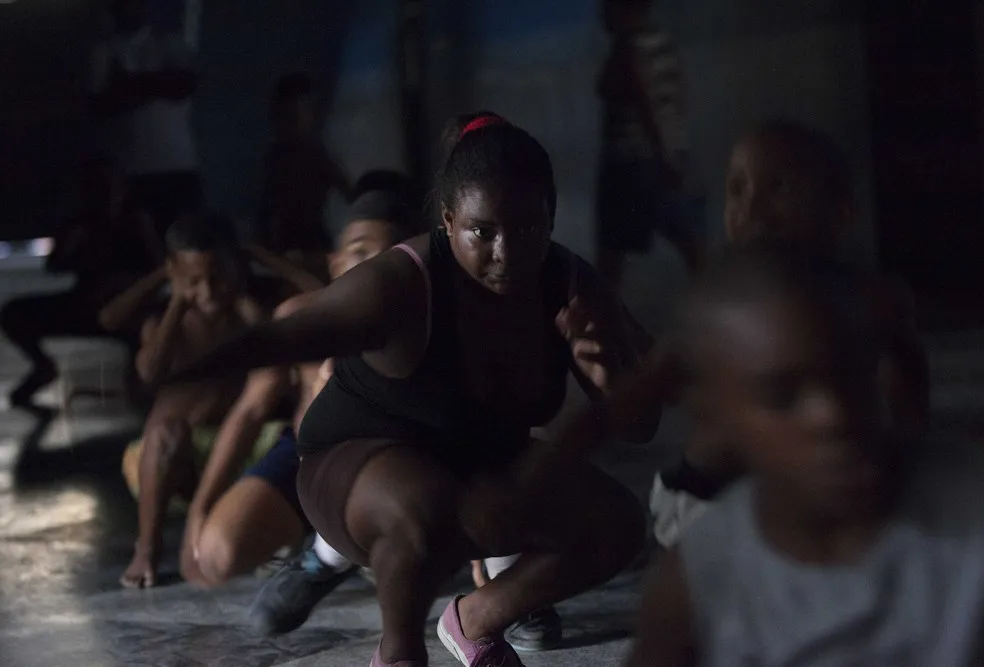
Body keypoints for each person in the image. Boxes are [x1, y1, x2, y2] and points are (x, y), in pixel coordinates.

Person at [160, 112, 660, 667]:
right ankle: (398, 652)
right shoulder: (400, 281)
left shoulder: (571, 285)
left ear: (551, 219)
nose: (507, 253)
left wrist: (609, 379)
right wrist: (175, 371)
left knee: (617, 524)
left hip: (476, 467)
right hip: (352, 470)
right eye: (483, 232)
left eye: (527, 230)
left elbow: (643, 427)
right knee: (423, 501)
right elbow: (286, 336)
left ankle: (474, 622)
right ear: (448, 220)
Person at [624, 248, 984, 667]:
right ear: (715, 418)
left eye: (852, 374)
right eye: (782, 396)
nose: (833, 416)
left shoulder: (980, 513)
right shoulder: (704, 578)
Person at [645, 119, 929, 547]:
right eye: (737, 190)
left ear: (841, 212)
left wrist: (912, 461)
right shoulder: (725, 306)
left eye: (780, 187)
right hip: (709, 501)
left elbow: (907, 379)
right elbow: (638, 396)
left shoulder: (873, 298)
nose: (752, 208)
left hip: (811, 493)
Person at [175, 179, 422, 639]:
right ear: (335, 262)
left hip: (395, 468)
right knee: (217, 554)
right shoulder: (301, 316)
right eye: (359, 251)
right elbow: (250, 411)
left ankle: (338, 551)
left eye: (389, 253)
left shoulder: (426, 322)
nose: (372, 264)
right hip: (307, 459)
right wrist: (200, 509)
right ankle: (322, 544)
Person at [119, 212, 264, 589]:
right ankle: (148, 546)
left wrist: (247, 296)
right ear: (175, 274)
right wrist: (176, 305)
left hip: (237, 454)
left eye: (218, 277)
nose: (208, 290)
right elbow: (150, 373)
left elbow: (281, 345)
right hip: (171, 463)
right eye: (194, 281)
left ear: (235, 269)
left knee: (289, 433)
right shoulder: (165, 325)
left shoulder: (247, 316)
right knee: (165, 432)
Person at [0, 156, 161, 408]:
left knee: (144, 332)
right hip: (84, 306)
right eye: (96, 187)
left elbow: (160, 268)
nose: (104, 194)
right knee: (13, 313)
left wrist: (125, 284)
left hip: (128, 306)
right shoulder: (80, 225)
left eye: (109, 186)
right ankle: (42, 367)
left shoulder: (136, 222)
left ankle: (142, 385)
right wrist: (71, 245)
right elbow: (54, 265)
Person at [596, 0, 704, 291]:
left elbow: (633, 95)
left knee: (610, 264)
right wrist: (674, 151)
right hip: (669, 156)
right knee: (694, 250)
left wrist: (665, 155)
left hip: (632, 162)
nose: (601, 13)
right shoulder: (662, 41)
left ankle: (603, 318)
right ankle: (718, 308)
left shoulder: (629, 46)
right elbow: (674, 98)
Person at [88, 0, 201, 239]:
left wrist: (130, 84)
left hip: (178, 167)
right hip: (129, 173)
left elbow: (185, 85)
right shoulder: (103, 51)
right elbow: (103, 103)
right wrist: (159, 82)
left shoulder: (170, 44)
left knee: (188, 242)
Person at [257, 72, 353, 276]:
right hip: (282, 249)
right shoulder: (273, 159)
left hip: (314, 245)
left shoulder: (318, 157)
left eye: (297, 116)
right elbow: (268, 206)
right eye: (286, 117)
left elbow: (352, 194)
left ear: (311, 115)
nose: (291, 124)